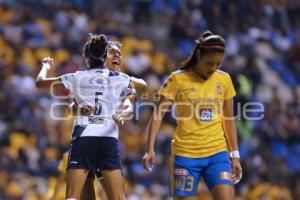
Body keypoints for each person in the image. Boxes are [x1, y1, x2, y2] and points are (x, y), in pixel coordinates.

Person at [142, 31, 242, 200]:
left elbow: (228, 119)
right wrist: (149, 149)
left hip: (217, 153)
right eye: (210, 63)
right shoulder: (177, 79)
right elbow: (158, 114)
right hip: (186, 155)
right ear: (198, 55)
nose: (213, 68)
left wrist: (235, 155)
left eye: (218, 64)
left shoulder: (224, 79)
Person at [36, 34, 133, 200]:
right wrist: (125, 112)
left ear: (86, 57)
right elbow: (130, 100)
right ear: (105, 57)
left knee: (73, 197)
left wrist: (45, 66)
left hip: (83, 139)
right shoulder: (122, 79)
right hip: (107, 140)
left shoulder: (76, 77)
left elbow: (40, 82)